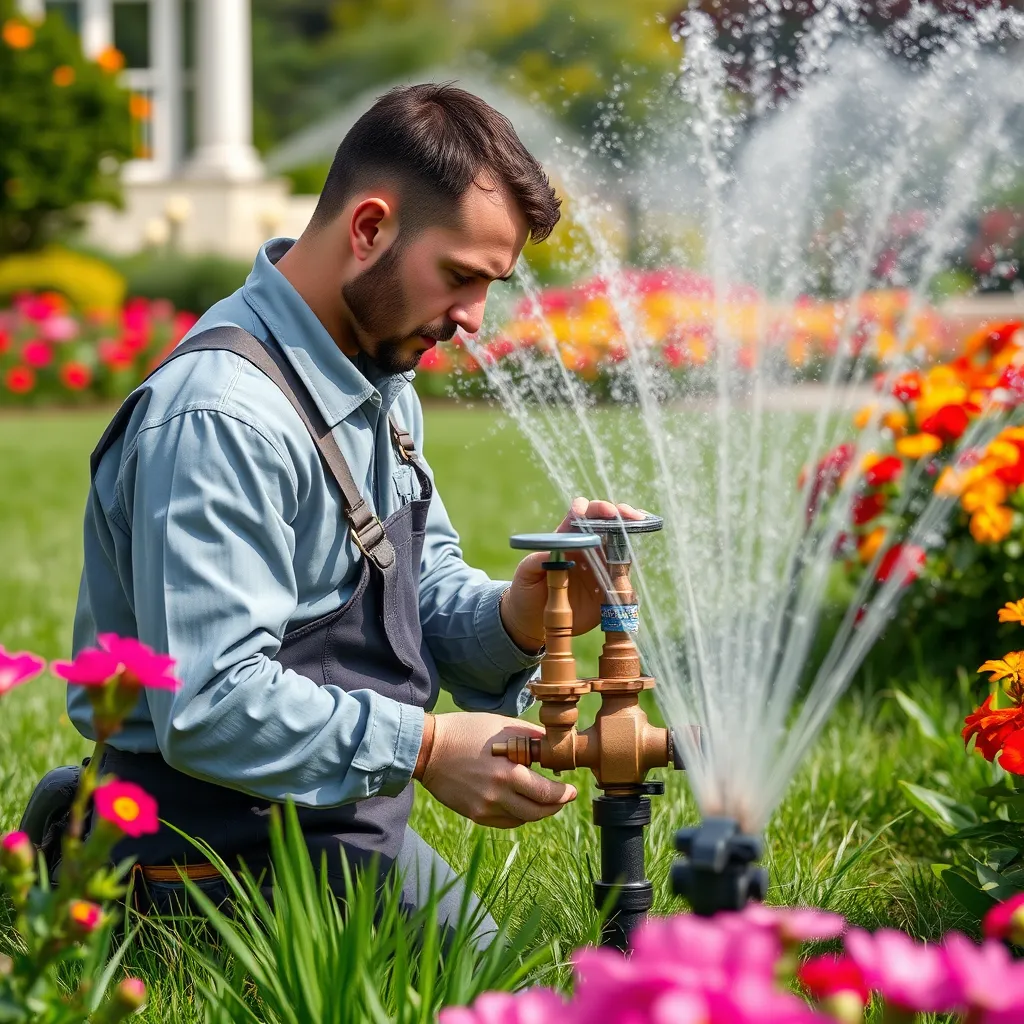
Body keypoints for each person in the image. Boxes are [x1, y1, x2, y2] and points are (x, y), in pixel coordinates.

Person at [64, 83, 644, 943]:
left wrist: (522, 615)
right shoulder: (225, 418)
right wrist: (424, 748)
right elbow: (211, 705)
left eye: (491, 287)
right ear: (369, 228)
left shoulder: (376, 377)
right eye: (459, 277)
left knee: (498, 968)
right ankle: (91, 877)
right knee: (483, 982)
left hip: (323, 819)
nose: (473, 320)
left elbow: (417, 587)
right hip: (205, 851)